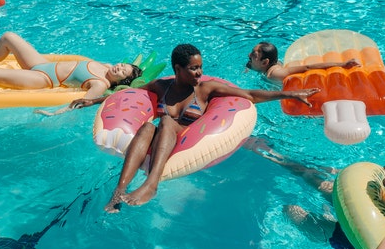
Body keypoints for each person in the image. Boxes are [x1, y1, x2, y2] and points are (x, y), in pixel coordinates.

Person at [71, 44, 321, 213]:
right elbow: (130, 94)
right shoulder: (161, 86)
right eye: (193, 68)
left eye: (200, 67)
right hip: (158, 139)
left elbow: (249, 94)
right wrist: (93, 100)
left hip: (189, 140)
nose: (199, 72)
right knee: (147, 128)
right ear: (178, 69)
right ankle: (118, 192)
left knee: (166, 121)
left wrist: (287, 93)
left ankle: (151, 184)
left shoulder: (205, 89)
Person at [246, 41, 385, 126]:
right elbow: (251, 64)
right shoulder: (265, 64)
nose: (249, 56)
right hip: (314, 94)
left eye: (253, 55)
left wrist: (341, 64)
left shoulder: (275, 74)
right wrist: (249, 66)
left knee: (371, 109)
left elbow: (307, 68)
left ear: (265, 62)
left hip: (314, 96)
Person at [0, 32, 142, 100]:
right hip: (42, 65)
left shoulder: (100, 83)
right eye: (122, 65)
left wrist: (56, 114)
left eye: (122, 72)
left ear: (120, 81)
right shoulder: (103, 65)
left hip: (45, 79)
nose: (119, 67)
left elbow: (82, 103)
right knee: (8, 37)